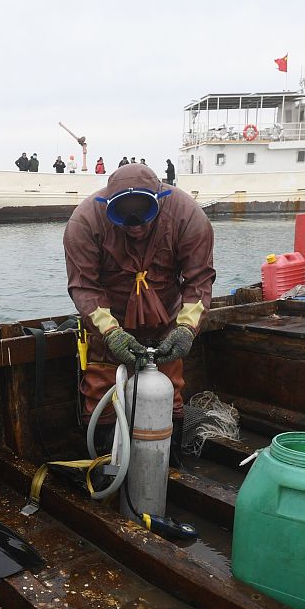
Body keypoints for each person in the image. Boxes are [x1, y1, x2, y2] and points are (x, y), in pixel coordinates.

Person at [62, 163, 215, 463]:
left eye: (143, 215)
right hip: (108, 322)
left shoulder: (188, 216)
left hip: (167, 322)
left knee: (169, 389)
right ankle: (104, 463)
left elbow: (199, 280)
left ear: (159, 202)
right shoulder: (84, 223)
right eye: (125, 218)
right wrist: (110, 333)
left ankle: (170, 464)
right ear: (108, 208)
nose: (135, 226)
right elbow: (84, 287)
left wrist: (186, 329)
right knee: (101, 391)